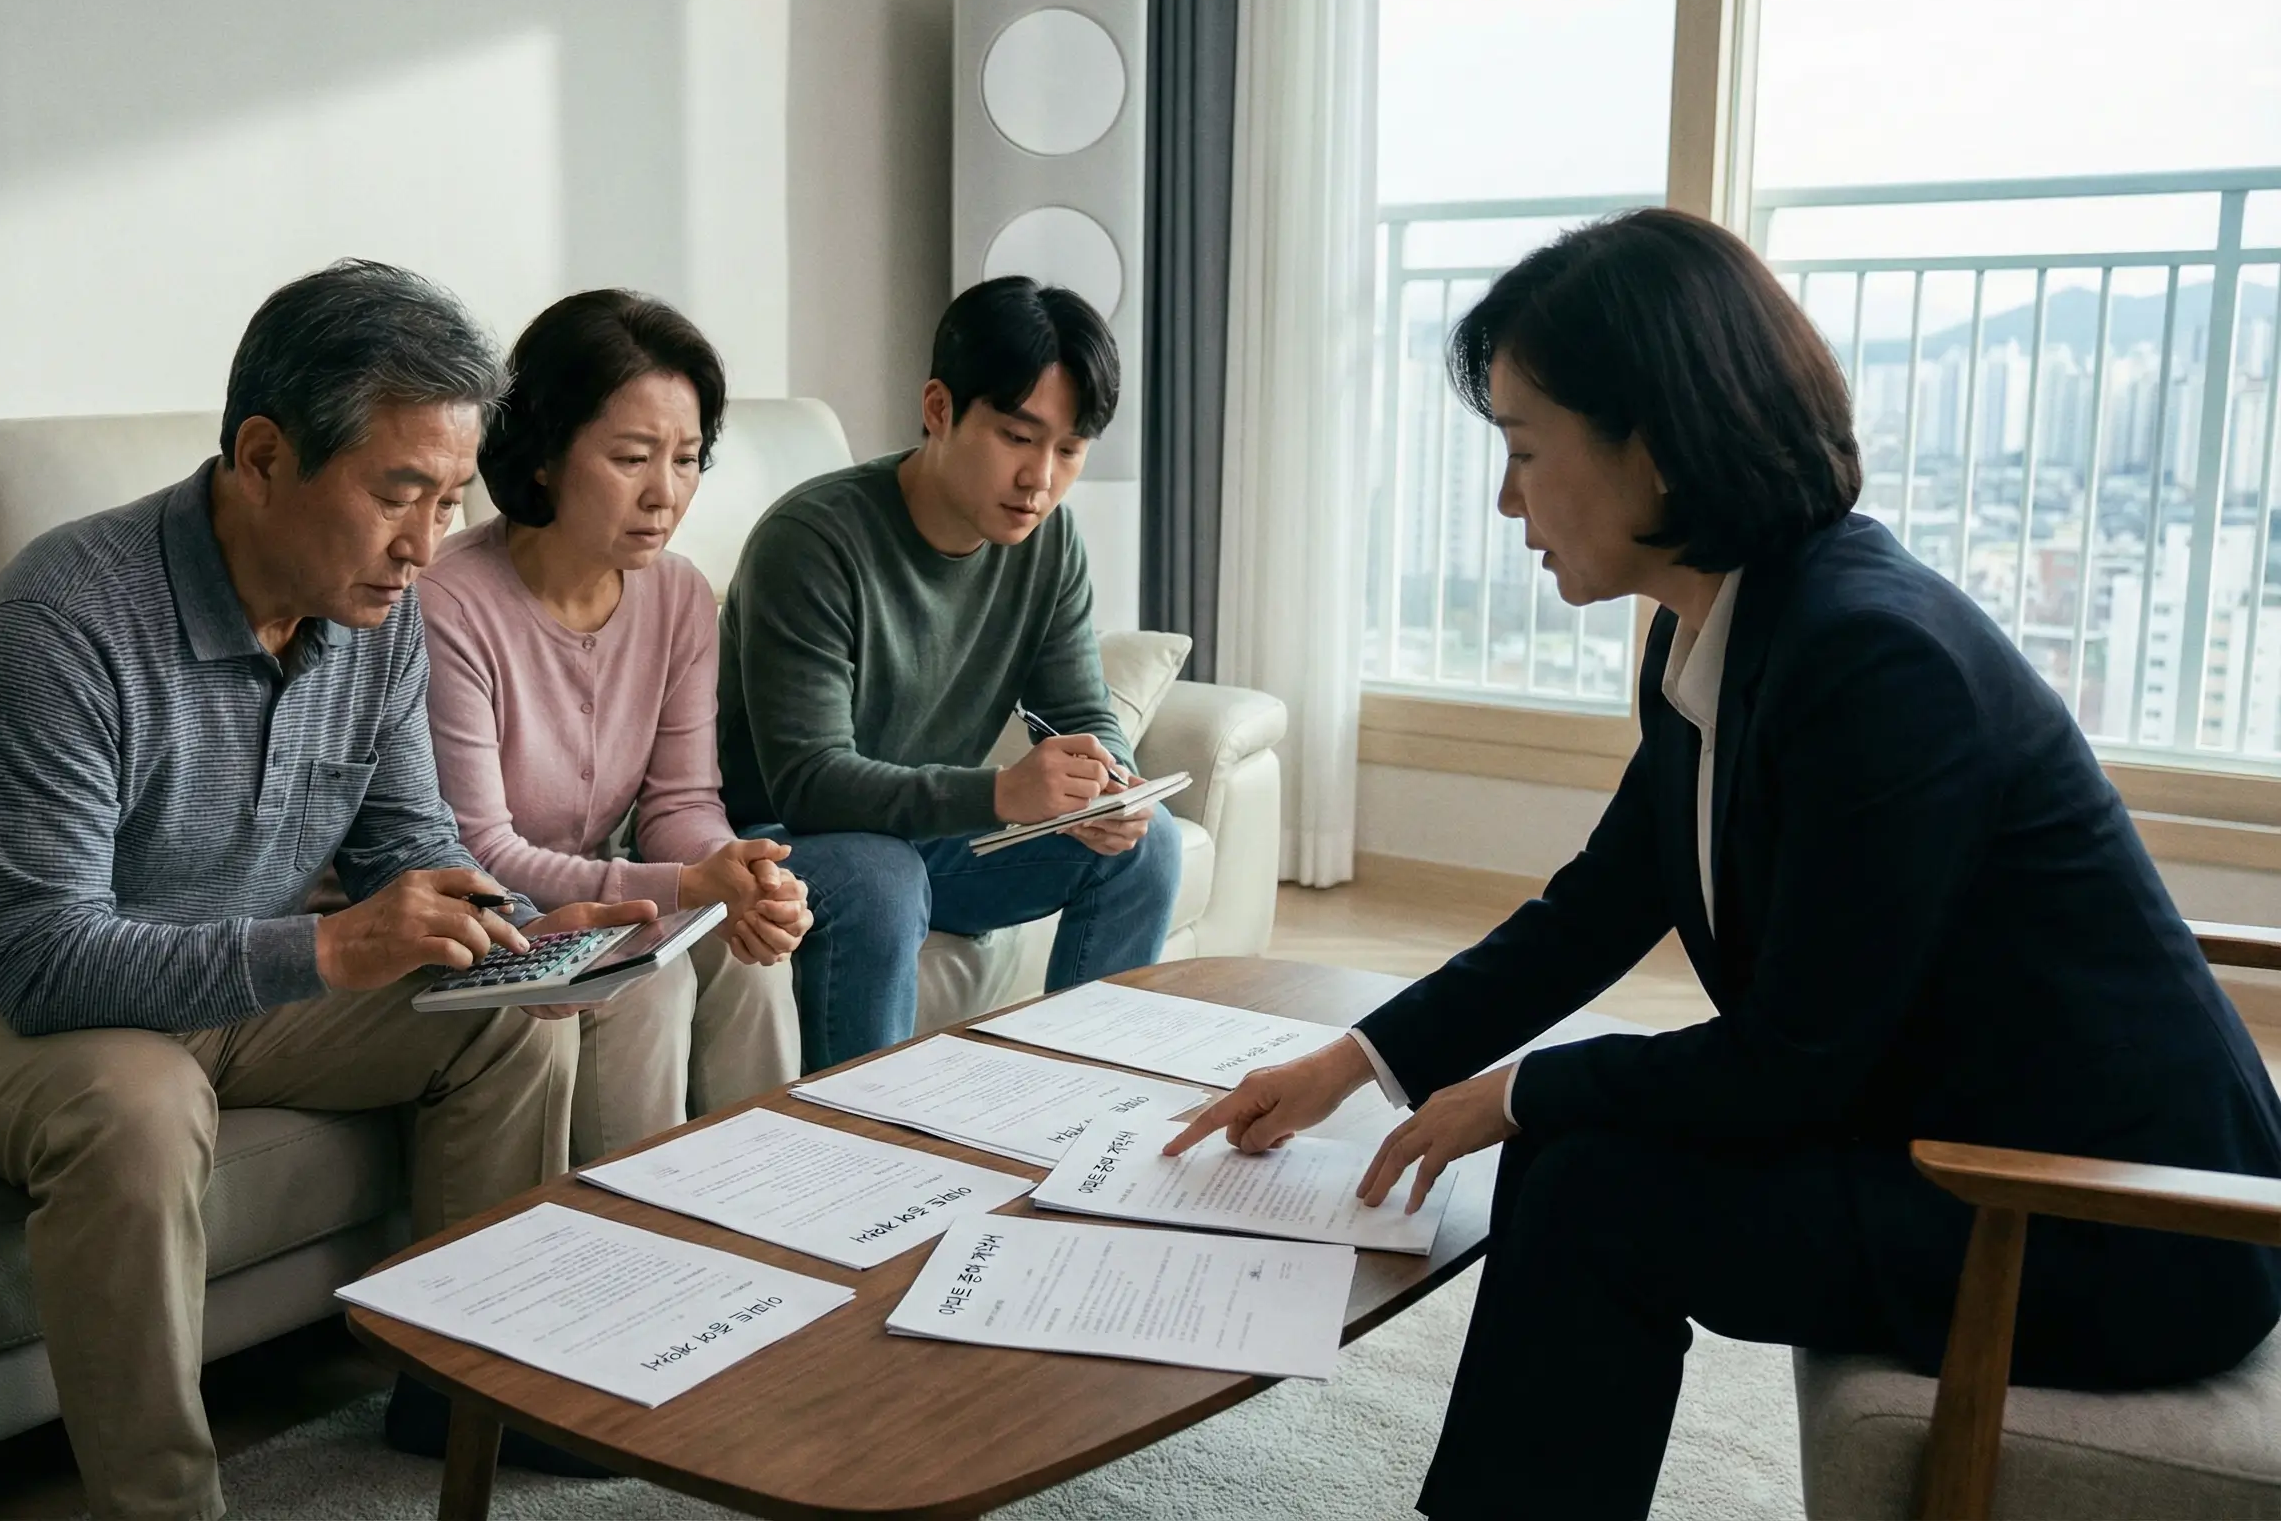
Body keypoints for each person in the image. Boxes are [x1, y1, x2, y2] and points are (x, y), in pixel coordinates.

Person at [1168, 209, 2281, 1520]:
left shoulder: (1874, 661)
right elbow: (1592, 915)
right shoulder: (1729, 627)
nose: (1506, 498)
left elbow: (1793, 1064)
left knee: (1589, 1181)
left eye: (1526, 451)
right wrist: (1346, 1065)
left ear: (1653, 444)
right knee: (1575, 1159)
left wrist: (1517, 1092)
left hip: (2122, 1226)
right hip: (1964, 1137)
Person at [0, 261, 653, 1520]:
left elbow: (408, 848)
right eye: (398, 495)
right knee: (140, 1102)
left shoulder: (380, 614)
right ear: (265, 456)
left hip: (224, 993)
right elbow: (46, 963)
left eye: (448, 502)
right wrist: (327, 955)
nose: (426, 546)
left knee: (501, 1017)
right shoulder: (64, 621)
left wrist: (516, 927)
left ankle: (464, 1394)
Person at [717, 276, 1182, 1072]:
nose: (1041, 478)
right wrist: (1001, 793)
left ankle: (1083, 1108)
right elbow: (808, 781)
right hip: (787, 843)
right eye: (1017, 437)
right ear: (939, 408)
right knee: (881, 872)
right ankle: (871, 1144)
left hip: (925, 833)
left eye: (1068, 450)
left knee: (1148, 845)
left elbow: (1081, 712)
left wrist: (1111, 786)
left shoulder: (1049, 542)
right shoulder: (813, 541)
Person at [422, 288, 807, 1161]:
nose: (664, 493)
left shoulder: (676, 595)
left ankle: (786, 1206)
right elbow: (480, 851)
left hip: (606, 899)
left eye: (687, 457)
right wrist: (681, 889)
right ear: (548, 454)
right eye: (633, 457)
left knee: (754, 951)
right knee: (652, 978)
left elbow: (681, 801)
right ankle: (635, 1244)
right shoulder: (449, 604)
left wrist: (733, 872)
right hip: (502, 913)